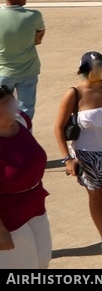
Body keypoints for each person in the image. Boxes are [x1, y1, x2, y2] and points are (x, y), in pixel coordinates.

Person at [53, 52, 102, 261]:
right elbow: (59, 127)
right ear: (85, 69)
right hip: (87, 154)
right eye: (95, 66)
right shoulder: (74, 93)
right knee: (96, 197)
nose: (99, 70)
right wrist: (67, 159)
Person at [0, 84, 50, 269]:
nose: (13, 105)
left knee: (43, 260)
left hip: (35, 203)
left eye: (11, 100)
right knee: (24, 266)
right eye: (5, 103)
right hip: (8, 215)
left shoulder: (21, 120)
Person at [0, 0, 45, 119]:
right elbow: (39, 37)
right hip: (28, 70)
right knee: (26, 110)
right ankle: (25, 137)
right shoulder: (34, 15)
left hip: (3, 71)